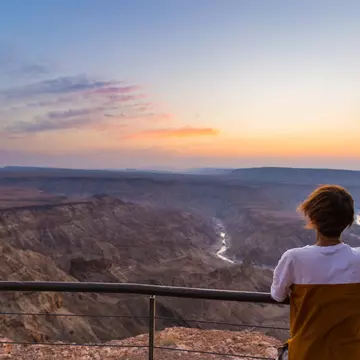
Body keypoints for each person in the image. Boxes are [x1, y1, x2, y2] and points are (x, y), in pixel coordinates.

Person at [271, 184, 360, 360]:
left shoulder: (294, 258)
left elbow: (277, 295)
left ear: (313, 218)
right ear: (349, 220)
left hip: (306, 353)